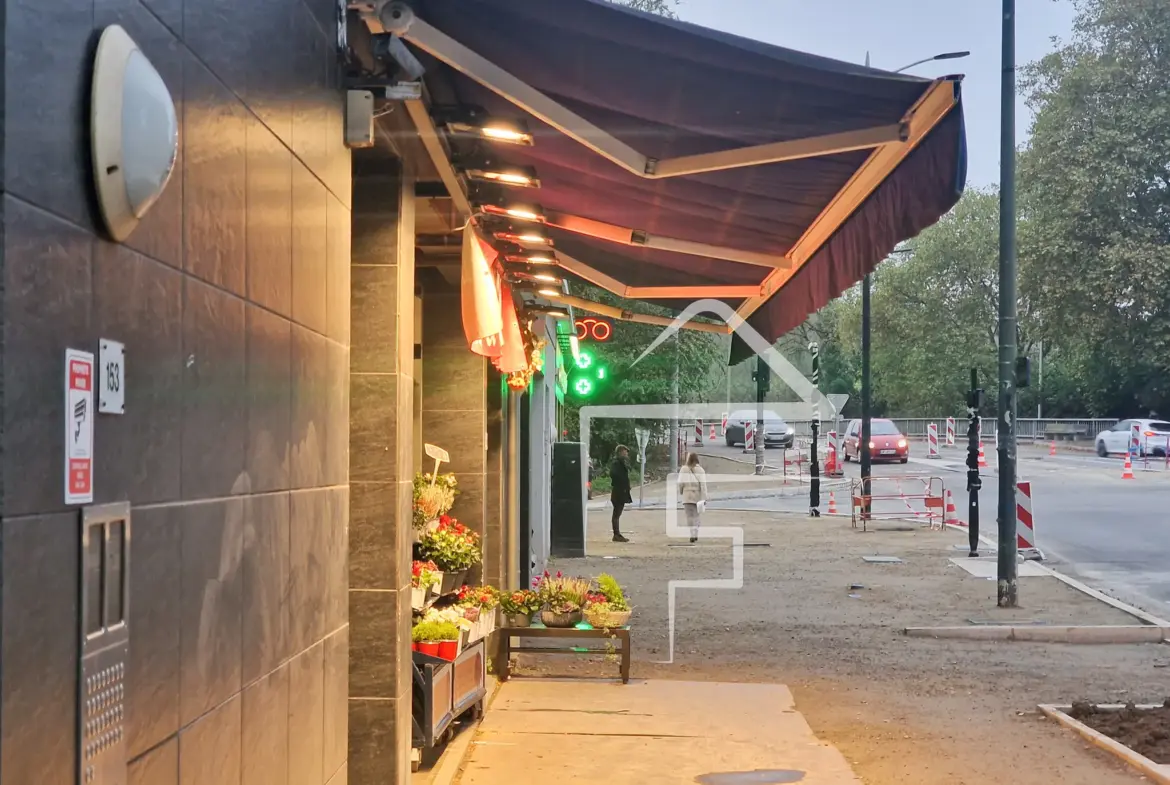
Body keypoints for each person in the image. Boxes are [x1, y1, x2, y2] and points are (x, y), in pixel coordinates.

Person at [679, 452, 708, 543]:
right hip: (697, 496)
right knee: (696, 515)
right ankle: (695, 532)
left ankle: (692, 534)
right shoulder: (701, 470)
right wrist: (704, 497)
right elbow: (703, 485)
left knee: (689, 516)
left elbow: (680, 483)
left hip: (687, 495)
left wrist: (681, 491)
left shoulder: (683, 469)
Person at [609, 445, 633, 542]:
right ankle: (616, 535)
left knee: (617, 514)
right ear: (620, 452)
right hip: (618, 492)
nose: (626, 453)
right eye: (625, 451)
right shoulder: (616, 463)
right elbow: (614, 474)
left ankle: (617, 534)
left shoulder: (622, 463)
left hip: (621, 491)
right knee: (616, 514)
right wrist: (622, 484)